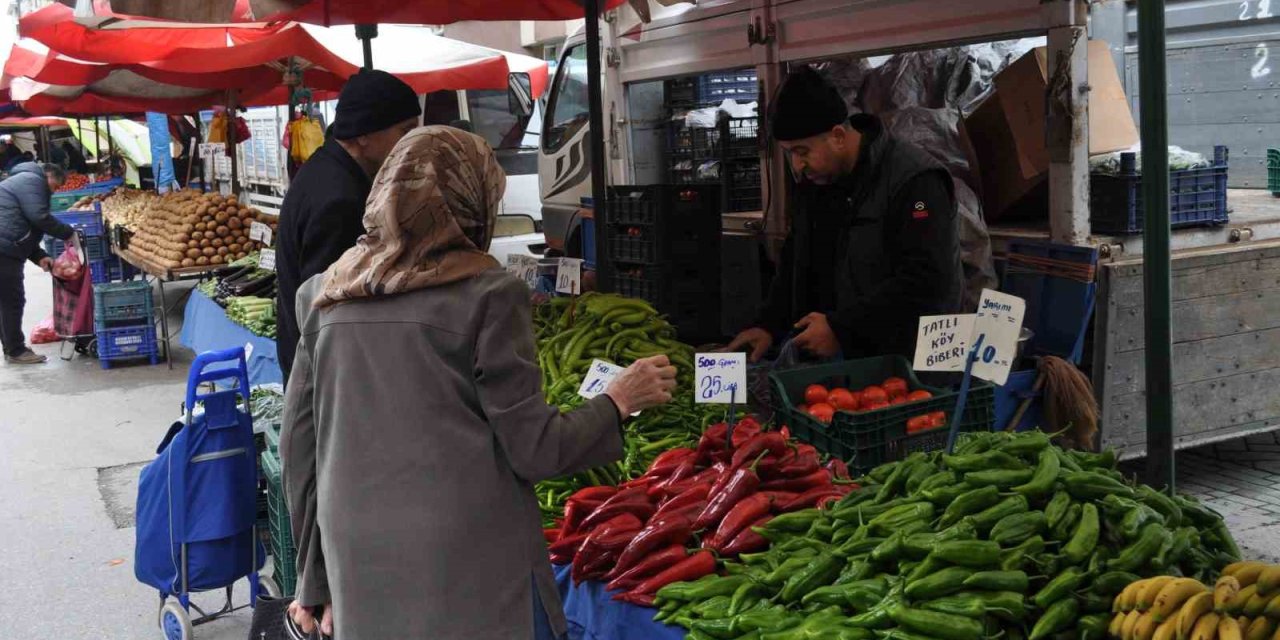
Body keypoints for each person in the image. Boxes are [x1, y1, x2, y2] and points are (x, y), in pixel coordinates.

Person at [280, 126, 679, 638]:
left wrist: (313, 579)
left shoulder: (324, 294)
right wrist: (618, 400)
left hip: (355, 551)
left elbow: (299, 449)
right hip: (466, 562)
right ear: (471, 199)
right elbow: (536, 449)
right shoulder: (487, 297)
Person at [726, 67, 964, 363]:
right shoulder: (816, 182)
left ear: (838, 136)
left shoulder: (914, 181)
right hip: (838, 365)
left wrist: (842, 327)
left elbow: (926, 281)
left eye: (802, 151)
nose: (797, 165)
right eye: (789, 154)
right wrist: (767, 324)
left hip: (906, 367)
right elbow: (795, 261)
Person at [275, 69, 421, 384]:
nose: (411, 144)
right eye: (405, 131)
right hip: (327, 378)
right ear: (364, 134)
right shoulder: (340, 199)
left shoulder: (326, 170)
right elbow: (330, 311)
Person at [0, 163, 73, 364]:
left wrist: (39, 255)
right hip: (4, 250)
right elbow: (39, 217)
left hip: (6, 246)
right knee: (12, 300)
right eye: (56, 186)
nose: (54, 191)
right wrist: (69, 234)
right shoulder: (33, 181)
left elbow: (23, 225)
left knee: (6, 300)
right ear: (49, 176)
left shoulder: (24, 181)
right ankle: (15, 351)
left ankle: (11, 348)